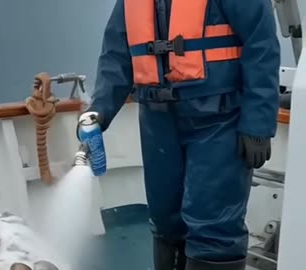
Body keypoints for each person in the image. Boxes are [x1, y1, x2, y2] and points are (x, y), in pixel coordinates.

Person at [77, 0, 280, 269]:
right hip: (157, 123)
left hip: (219, 120)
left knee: (213, 226)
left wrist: (257, 123)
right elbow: (117, 53)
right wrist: (99, 110)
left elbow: (261, 45)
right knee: (165, 220)